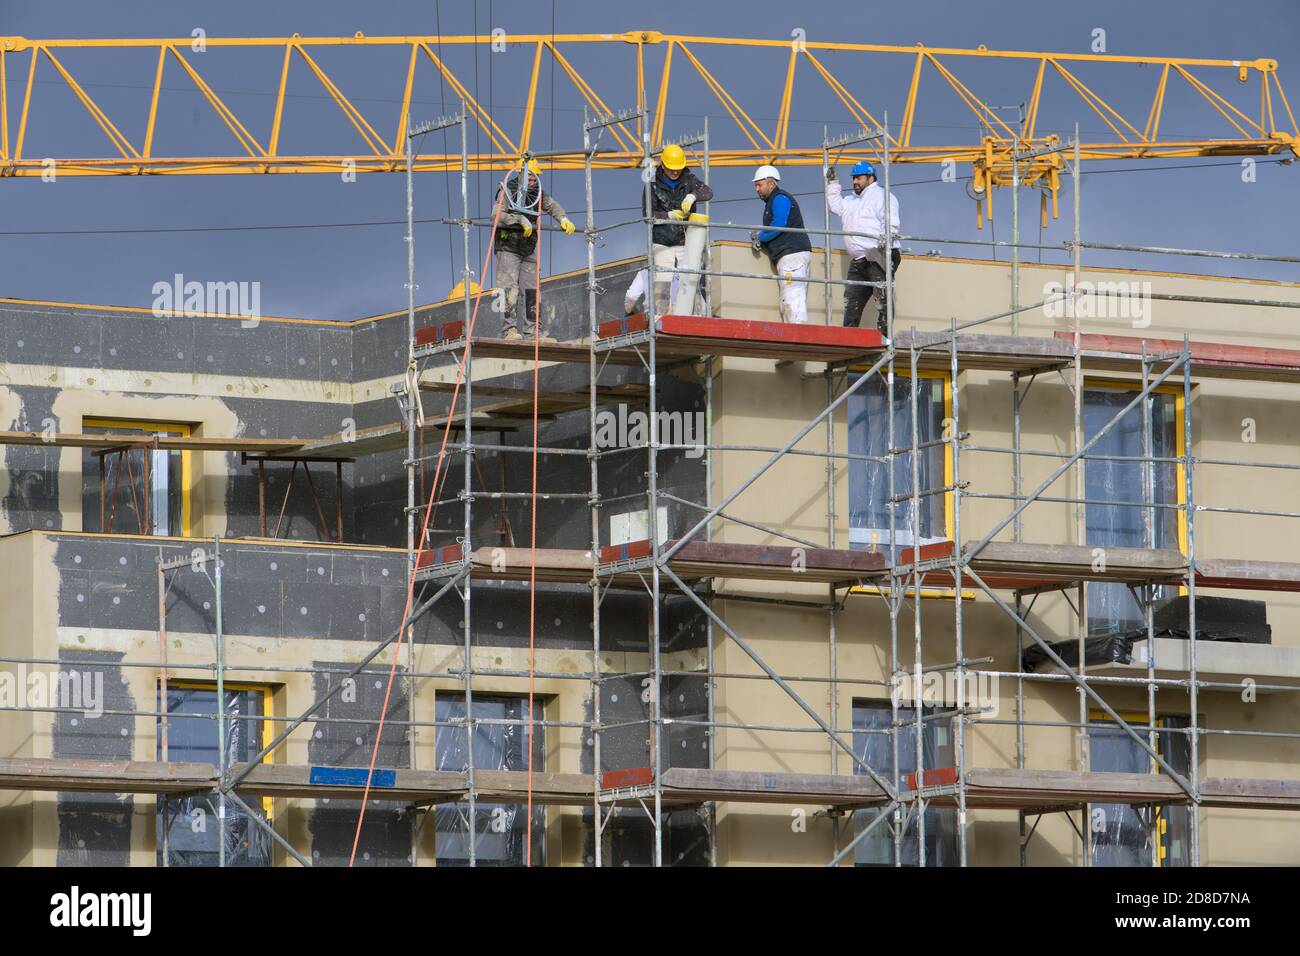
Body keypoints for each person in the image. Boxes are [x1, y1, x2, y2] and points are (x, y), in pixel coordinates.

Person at [493, 159, 576, 340]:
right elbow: (497, 215)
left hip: (527, 247)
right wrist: (518, 220)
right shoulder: (507, 190)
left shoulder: (538, 193)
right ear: (521, 175)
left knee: (532, 291)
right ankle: (510, 330)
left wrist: (563, 218)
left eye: (535, 178)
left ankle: (533, 332)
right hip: (508, 247)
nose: (533, 182)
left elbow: (552, 206)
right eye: (530, 178)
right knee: (509, 290)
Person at [825, 160, 901, 337]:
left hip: (878, 254)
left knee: (882, 299)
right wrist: (833, 184)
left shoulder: (882, 196)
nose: (855, 182)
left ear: (870, 177)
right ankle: (847, 341)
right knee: (852, 303)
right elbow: (835, 205)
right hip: (860, 260)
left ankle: (885, 338)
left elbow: (890, 222)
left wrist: (884, 244)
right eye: (853, 178)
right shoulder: (851, 200)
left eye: (858, 178)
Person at [644, 143, 713, 315]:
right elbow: (647, 214)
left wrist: (693, 195)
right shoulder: (652, 185)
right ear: (663, 165)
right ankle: (659, 319)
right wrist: (669, 216)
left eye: (678, 169)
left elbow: (708, 192)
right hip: (662, 240)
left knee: (690, 279)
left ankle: (697, 317)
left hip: (684, 240)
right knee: (662, 281)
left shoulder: (689, 180)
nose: (675, 172)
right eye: (672, 169)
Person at [752, 165, 813, 324]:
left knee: (793, 300)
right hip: (791, 254)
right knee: (789, 300)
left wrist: (759, 236)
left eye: (759, 185)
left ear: (770, 184)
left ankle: (799, 341)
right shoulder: (775, 200)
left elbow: (778, 225)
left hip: (792, 255)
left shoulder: (779, 198)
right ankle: (794, 340)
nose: (757, 189)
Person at [623, 267, 705, 317]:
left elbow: (629, 302)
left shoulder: (644, 273)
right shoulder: (689, 270)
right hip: (687, 317)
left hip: (654, 320)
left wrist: (638, 319)